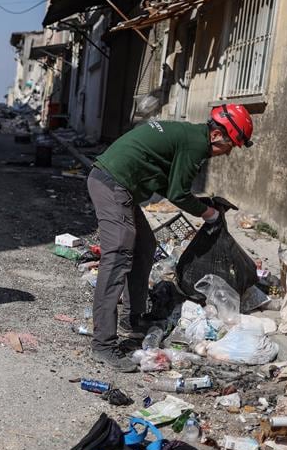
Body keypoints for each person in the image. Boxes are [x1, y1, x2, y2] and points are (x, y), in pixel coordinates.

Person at [87, 105, 255, 371]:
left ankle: (132, 319)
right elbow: (177, 194)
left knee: (144, 246)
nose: (229, 152)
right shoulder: (196, 146)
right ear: (217, 136)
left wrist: (203, 204)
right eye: (230, 145)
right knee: (118, 255)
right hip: (112, 183)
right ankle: (103, 344)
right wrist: (209, 214)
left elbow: (171, 185)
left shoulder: (191, 137)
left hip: (119, 184)